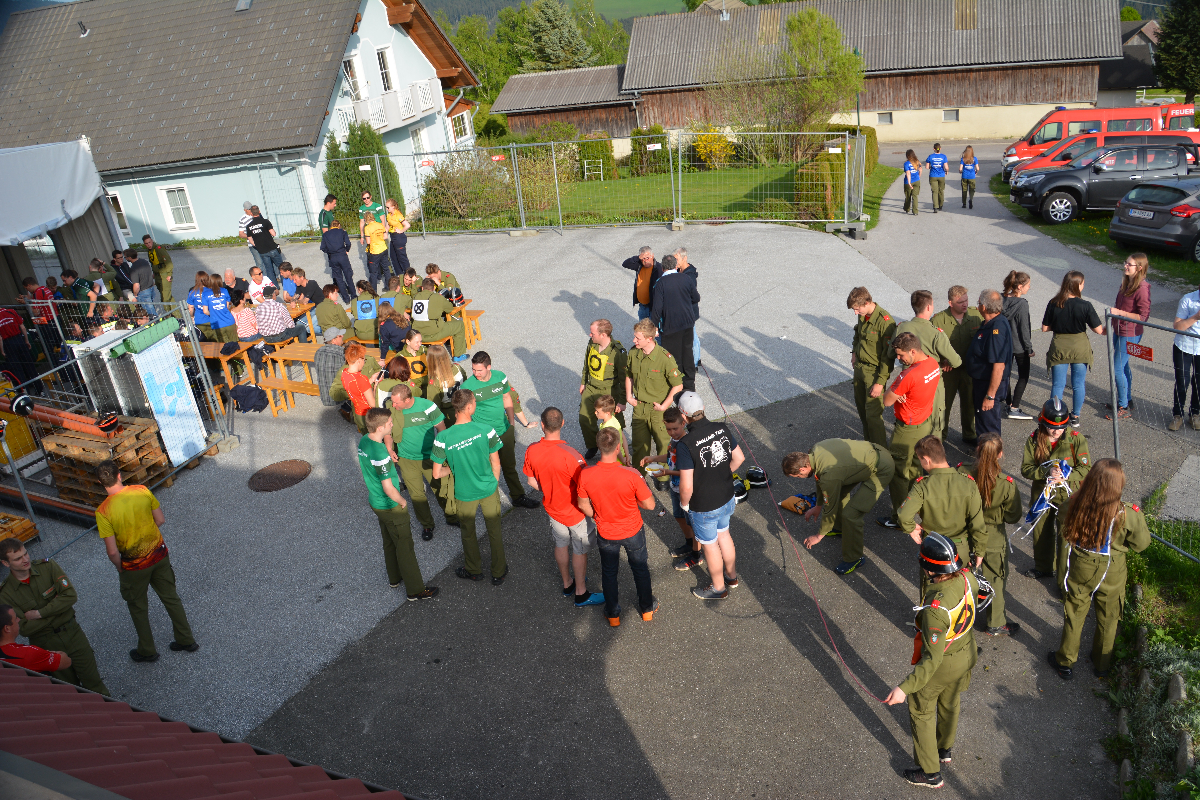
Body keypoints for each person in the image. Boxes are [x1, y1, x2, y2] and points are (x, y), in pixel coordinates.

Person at [884, 532, 981, 789]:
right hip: (967, 651)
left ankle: (929, 773)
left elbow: (931, 660)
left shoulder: (935, 609)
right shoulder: (968, 577)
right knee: (950, 701)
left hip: (945, 662)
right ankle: (944, 749)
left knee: (920, 707)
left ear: (929, 569)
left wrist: (904, 688)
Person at [1049, 459, 1149, 680]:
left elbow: (1062, 521)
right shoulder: (1128, 513)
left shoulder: (1074, 504)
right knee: (1109, 615)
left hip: (1082, 562)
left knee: (1075, 611)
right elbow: (1141, 544)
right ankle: (1101, 664)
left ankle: (1065, 662)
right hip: (1113, 568)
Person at [94, 459, 197, 663]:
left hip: (134, 567)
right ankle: (186, 639)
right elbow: (160, 520)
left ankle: (147, 650)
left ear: (100, 482)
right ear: (119, 475)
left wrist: (120, 568)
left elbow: (112, 552)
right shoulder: (141, 490)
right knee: (171, 597)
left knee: (138, 607)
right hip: (159, 555)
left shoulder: (103, 511)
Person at [0, 539, 109, 694]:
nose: (25, 560)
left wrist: (39, 614)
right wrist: (58, 609)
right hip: (46, 645)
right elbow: (24, 628)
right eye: (18, 558)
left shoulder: (48, 567)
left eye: (26, 553)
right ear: (5, 563)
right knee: (69, 691)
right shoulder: (5, 594)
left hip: (73, 634)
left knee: (95, 684)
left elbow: (70, 596)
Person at [577, 426, 659, 626]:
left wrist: (598, 515)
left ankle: (613, 614)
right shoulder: (631, 474)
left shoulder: (586, 474)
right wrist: (635, 501)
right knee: (640, 568)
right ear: (617, 448)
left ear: (599, 447)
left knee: (609, 572)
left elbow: (582, 504)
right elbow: (650, 505)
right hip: (633, 530)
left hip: (606, 532)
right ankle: (647, 609)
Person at [522, 407, 605, 607]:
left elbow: (531, 481)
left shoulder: (532, 450)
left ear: (542, 425)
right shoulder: (571, 455)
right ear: (563, 423)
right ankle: (581, 593)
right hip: (575, 512)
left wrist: (549, 490)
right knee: (579, 549)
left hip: (552, 509)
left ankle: (567, 583)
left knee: (560, 544)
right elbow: (586, 487)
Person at [355, 407, 438, 599]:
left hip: (376, 502)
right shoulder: (380, 454)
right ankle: (416, 590)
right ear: (381, 427)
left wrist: (388, 452)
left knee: (389, 541)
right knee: (405, 546)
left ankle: (394, 578)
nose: (393, 425)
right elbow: (388, 487)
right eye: (390, 423)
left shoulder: (365, 440)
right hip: (390, 505)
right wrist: (402, 501)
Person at [783, 439, 895, 576]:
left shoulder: (829, 474)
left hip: (881, 469)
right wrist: (818, 505)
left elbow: (830, 507)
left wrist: (819, 536)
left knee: (851, 515)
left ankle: (854, 558)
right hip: (872, 453)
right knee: (838, 493)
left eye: (797, 476)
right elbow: (820, 480)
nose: (799, 478)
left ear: (803, 469)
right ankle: (840, 528)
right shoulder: (814, 451)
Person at [432, 389, 508, 584]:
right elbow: (496, 462)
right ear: (468, 407)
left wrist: (454, 467)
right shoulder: (486, 429)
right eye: (474, 402)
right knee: (494, 530)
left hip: (464, 492)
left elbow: (436, 473)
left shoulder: (442, 438)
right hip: (488, 488)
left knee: (468, 532)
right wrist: (494, 483)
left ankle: (474, 570)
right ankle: (498, 571)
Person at [676, 392, 744, 600]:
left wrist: (684, 503)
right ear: (703, 408)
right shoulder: (721, 428)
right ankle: (731, 577)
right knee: (724, 534)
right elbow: (739, 458)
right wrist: (721, 475)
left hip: (704, 504)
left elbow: (686, 485)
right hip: (726, 495)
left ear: (683, 416)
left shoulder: (685, 444)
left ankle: (718, 587)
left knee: (710, 544)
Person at [897, 436, 985, 597]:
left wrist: (911, 528)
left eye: (920, 460)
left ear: (926, 459)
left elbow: (903, 515)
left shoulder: (922, 485)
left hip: (933, 550)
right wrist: (979, 551)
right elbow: (977, 524)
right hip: (960, 549)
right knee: (961, 594)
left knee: (931, 594)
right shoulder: (968, 483)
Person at [1021, 398, 1091, 581]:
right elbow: (1026, 469)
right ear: (1043, 422)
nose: (1056, 431)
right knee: (1041, 532)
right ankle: (1043, 567)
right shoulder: (1034, 439)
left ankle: (1064, 578)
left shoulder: (1076, 439)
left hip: (1068, 496)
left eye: (1060, 427)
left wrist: (1067, 475)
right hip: (1043, 494)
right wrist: (1046, 471)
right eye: (1052, 427)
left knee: (1065, 536)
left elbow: (1085, 468)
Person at [959, 434, 1022, 636]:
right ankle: (995, 622)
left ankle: (959, 618)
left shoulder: (962, 472)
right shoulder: (1006, 483)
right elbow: (1013, 516)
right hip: (993, 536)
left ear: (977, 450)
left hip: (965, 532)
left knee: (961, 576)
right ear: (1000, 454)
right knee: (995, 578)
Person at [880, 332, 942, 529]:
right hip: (924, 423)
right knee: (915, 468)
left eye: (901, 355)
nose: (899, 359)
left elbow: (886, 400)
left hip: (907, 429)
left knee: (898, 473)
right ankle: (916, 506)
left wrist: (896, 391)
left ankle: (900, 517)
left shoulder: (908, 375)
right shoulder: (932, 363)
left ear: (913, 351)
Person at [462, 351, 539, 509]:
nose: (475, 373)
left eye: (479, 370)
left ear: (489, 367)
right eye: (473, 369)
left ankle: (518, 496)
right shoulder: (467, 387)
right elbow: (464, 413)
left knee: (509, 466)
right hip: (484, 437)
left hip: (504, 430)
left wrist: (511, 423)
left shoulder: (500, 377)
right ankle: (490, 502)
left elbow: (506, 398)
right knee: (488, 469)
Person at [387, 383, 457, 540]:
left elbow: (442, 429)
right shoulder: (392, 411)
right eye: (393, 401)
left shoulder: (428, 406)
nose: (393, 405)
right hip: (406, 460)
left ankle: (452, 517)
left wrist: (442, 453)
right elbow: (387, 433)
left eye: (396, 402)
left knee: (441, 489)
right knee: (417, 495)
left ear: (407, 399)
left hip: (430, 458)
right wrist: (390, 449)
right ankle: (427, 525)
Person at [888, 290, 959, 441]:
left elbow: (889, 354)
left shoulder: (901, 328)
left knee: (910, 423)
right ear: (928, 307)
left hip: (908, 384)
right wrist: (944, 363)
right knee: (934, 426)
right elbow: (956, 361)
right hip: (932, 383)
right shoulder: (936, 333)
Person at [1041, 270, 1104, 428]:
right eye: (1082, 283)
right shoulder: (1085, 305)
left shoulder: (1054, 303)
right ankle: (1075, 416)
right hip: (1079, 347)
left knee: (1058, 384)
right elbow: (1098, 330)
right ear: (1078, 285)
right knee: (1078, 384)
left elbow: (1045, 328)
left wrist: (1059, 324)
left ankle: (1054, 415)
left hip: (1060, 347)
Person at [626, 318, 683, 483]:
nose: (634, 340)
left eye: (638, 338)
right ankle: (638, 479)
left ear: (649, 339)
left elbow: (678, 385)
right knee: (639, 446)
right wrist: (629, 396)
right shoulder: (634, 353)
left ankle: (663, 479)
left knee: (663, 445)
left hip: (658, 410)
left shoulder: (665, 358)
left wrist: (664, 406)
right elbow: (629, 375)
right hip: (639, 408)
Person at [642, 406, 700, 567]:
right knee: (679, 517)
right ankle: (689, 544)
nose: (672, 432)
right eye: (668, 429)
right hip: (675, 487)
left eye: (675, 428)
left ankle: (696, 555)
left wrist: (666, 472)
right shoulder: (674, 440)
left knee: (693, 523)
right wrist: (653, 458)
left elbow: (688, 471)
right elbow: (670, 456)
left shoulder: (687, 443)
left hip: (686, 488)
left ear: (683, 423)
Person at [932, 286, 984, 445]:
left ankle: (969, 434)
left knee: (969, 403)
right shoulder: (938, 320)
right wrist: (942, 360)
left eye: (966, 300)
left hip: (969, 370)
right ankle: (941, 436)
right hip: (948, 372)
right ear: (950, 303)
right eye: (960, 302)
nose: (965, 304)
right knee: (944, 405)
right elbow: (931, 346)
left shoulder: (976, 316)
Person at [848, 286, 896, 448]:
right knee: (863, 412)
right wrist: (854, 352)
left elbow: (888, 357)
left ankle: (881, 452)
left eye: (857, 309)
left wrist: (880, 382)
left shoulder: (886, 322)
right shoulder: (863, 315)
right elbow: (858, 335)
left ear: (867, 302)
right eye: (854, 310)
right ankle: (870, 448)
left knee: (873, 416)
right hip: (859, 369)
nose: (856, 313)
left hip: (873, 373)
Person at [1108, 253, 1151, 421]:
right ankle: (1126, 399)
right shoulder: (1126, 283)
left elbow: (1143, 317)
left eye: (1129, 264)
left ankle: (1124, 406)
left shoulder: (1142, 288)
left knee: (1117, 368)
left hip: (1131, 333)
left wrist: (1120, 313)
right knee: (1123, 366)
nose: (1125, 266)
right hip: (1119, 329)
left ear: (1139, 268)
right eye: (1125, 262)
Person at [650, 254, 700, 393]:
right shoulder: (685, 278)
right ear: (676, 266)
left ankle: (676, 388)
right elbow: (696, 298)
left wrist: (653, 327)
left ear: (663, 268)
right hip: (687, 325)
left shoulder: (660, 283)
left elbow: (657, 309)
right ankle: (690, 386)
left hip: (670, 326)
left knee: (672, 358)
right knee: (687, 354)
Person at [578, 319, 627, 460]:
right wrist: (583, 382)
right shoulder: (592, 343)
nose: (590, 335)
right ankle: (594, 445)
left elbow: (624, 379)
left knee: (614, 422)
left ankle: (619, 450)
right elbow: (586, 364)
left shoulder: (618, 352)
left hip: (609, 390)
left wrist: (622, 401)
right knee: (584, 418)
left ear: (603, 335)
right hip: (591, 387)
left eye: (592, 333)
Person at [967, 289, 1013, 437]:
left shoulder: (996, 329)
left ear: (984, 307)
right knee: (983, 423)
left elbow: (999, 366)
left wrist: (990, 396)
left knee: (989, 428)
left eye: (979, 303)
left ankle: (990, 451)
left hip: (988, 386)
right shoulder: (992, 322)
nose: (978, 305)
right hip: (982, 383)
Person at [0, 604, 73, 676]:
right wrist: (52, 653)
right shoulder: (28, 654)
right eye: (15, 618)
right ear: (7, 628)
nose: (18, 620)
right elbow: (66, 661)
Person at [1001, 271, 1035, 421]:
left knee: (1006, 375)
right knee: (1023, 376)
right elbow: (1024, 328)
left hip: (1004, 345)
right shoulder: (1022, 304)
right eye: (1028, 285)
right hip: (1020, 346)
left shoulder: (1001, 299)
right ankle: (1014, 407)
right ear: (1020, 287)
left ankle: (1008, 402)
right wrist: (1029, 348)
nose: (1029, 287)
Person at [407, 278, 467, 359]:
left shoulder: (415, 297)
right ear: (434, 288)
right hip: (433, 334)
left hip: (417, 334)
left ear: (422, 288)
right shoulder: (438, 297)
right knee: (459, 325)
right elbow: (450, 309)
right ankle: (458, 355)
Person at [1170, 280, 1200, 431]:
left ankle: (1195, 414)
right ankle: (1178, 415)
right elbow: (1177, 326)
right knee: (1182, 382)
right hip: (1184, 346)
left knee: (1199, 383)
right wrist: (1196, 317)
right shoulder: (1188, 299)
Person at [341, 342, 380, 433]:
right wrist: (375, 386)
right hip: (368, 415)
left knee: (365, 436)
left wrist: (371, 380)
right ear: (358, 360)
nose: (364, 362)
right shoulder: (362, 379)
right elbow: (373, 404)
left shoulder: (345, 373)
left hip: (358, 413)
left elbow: (358, 388)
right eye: (364, 360)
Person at [674, 248, 702, 367]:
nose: (675, 262)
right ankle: (695, 358)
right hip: (683, 311)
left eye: (677, 259)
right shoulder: (678, 271)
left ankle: (695, 363)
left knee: (692, 337)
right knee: (690, 336)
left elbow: (691, 296)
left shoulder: (690, 276)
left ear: (684, 258)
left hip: (688, 312)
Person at [244, 206, 284, 285]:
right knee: (281, 267)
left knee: (269, 270)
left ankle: (274, 287)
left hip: (262, 251)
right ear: (259, 212)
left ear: (251, 213)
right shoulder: (265, 221)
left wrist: (256, 245)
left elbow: (250, 238)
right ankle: (284, 283)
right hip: (272, 248)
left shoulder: (249, 226)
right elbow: (273, 234)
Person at [426, 342, 463, 424]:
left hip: (448, 415)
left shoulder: (434, 382)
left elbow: (434, 406)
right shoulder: (458, 368)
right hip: (462, 408)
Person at [621, 245, 662, 320]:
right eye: (643, 258)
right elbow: (625, 264)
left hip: (652, 308)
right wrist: (637, 258)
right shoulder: (639, 266)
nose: (645, 261)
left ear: (652, 256)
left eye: (647, 258)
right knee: (642, 327)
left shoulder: (659, 268)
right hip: (642, 307)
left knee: (652, 327)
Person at [0, 306, 37, 386]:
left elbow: (0, 338)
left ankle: (24, 390)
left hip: (8, 344)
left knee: (17, 369)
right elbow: (23, 327)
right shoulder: (11, 311)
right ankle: (39, 388)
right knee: (29, 365)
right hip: (19, 339)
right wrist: (26, 341)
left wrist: (2, 351)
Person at [313, 327, 348, 408]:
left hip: (324, 396)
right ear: (333, 340)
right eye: (340, 336)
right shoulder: (342, 352)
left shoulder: (318, 351)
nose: (342, 336)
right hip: (339, 398)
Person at [322, 219, 354, 304]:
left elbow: (323, 247)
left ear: (331, 226)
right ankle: (353, 296)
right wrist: (346, 250)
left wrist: (330, 252)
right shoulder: (342, 232)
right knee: (348, 276)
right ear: (338, 225)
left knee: (339, 279)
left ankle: (346, 299)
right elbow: (348, 243)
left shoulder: (325, 234)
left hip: (333, 257)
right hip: (342, 255)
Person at [593, 394, 631, 466]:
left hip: (615, 459)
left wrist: (622, 460)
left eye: (598, 412)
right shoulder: (614, 419)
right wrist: (627, 456)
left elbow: (615, 446)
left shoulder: (607, 428)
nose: (595, 413)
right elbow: (623, 438)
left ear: (607, 413)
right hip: (622, 456)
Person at [201, 273, 237, 342]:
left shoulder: (205, 294)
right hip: (229, 321)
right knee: (235, 343)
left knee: (223, 345)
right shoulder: (225, 290)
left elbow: (205, 311)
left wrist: (213, 313)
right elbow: (226, 307)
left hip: (217, 324)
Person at [363, 212, 390, 292]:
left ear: (366, 219)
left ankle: (374, 291)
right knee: (386, 269)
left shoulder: (367, 228)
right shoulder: (380, 225)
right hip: (383, 248)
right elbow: (385, 236)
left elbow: (368, 242)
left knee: (373, 272)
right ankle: (388, 287)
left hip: (375, 251)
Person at [238, 200, 266, 275]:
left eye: (251, 208)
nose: (251, 210)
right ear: (245, 210)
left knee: (267, 260)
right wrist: (251, 235)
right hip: (253, 244)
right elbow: (241, 234)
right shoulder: (242, 219)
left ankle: (272, 277)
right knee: (259, 263)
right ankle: (262, 277)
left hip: (263, 241)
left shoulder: (257, 215)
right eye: (249, 209)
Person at [143, 234, 173, 303]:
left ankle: (168, 310)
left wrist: (169, 274)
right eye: (146, 243)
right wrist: (154, 272)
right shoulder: (149, 250)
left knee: (165, 297)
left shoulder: (158, 248)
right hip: (157, 275)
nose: (148, 244)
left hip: (164, 274)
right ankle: (175, 310)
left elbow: (168, 262)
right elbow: (152, 262)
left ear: (152, 241)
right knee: (167, 296)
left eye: (149, 242)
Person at [384, 199, 411, 277]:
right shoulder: (389, 215)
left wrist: (401, 231)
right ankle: (400, 275)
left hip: (398, 237)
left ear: (393, 206)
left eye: (388, 207)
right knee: (393, 257)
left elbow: (407, 225)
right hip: (392, 237)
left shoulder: (398, 215)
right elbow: (388, 225)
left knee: (402, 257)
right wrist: (385, 233)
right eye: (386, 207)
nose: (387, 209)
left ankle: (409, 275)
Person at [358, 190, 384, 259]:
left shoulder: (377, 206)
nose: (366, 200)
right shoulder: (361, 208)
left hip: (379, 232)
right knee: (373, 252)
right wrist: (362, 236)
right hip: (370, 233)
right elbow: (362, 222)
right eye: (364, 198)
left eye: (368, 197)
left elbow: (383, 220)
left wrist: (384, 232)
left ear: (371, 197)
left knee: (382, 251)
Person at [925, 143, 948, 212]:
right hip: (941, 175)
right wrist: (946, 171)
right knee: (941, 191)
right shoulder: (943, 156)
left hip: (933, 175)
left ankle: (935, 207)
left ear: (934, 149)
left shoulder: (930, 156)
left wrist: (931, 166)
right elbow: (946, 167)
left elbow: (927, 167)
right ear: (940, 148)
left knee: (934, 191)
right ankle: (941, 205)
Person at [958, 145, 980, 209]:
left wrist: (960, 171)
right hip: (972, 176)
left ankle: (964, 204)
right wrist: (976, 172)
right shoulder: (974, 158)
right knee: (972, 189)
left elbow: (960, 169)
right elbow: (977, 168)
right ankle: (971, 199)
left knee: (964, 190)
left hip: (964, 176)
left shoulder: (963, 159)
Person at [902, 150, 922, 215]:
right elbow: (920, 170)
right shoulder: (917, 162)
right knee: (915, 196)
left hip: (908, 182)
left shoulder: (906, 163)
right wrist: (918, 176)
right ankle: (915, 211)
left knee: (908, 196)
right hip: (917, 181)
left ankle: (907, 209)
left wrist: (909, 183)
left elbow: (908, 173)